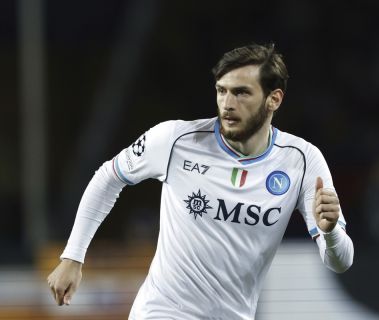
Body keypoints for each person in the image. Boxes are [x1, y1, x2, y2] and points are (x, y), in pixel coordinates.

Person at [47, 43, 354, 319]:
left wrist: (330, 234)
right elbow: (109, 177)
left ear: (273, 99)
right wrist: (73, 255)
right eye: (222, 91)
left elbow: (340, 261)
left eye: (242, 92)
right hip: (163, 311)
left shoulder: (301, 160)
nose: (227, 103)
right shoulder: (175, 140)